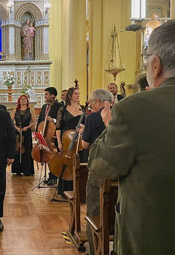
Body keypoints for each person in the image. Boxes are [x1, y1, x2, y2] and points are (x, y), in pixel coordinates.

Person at [88, 20, 175, 255]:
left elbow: (101, 166)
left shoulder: (133, 108)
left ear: (155, 65)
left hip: (151, 240)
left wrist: (108, 123)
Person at [81, 89, 113, 255]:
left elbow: (85, 145)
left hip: (98, 168)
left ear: (100, 102)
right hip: (117, 168)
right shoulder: (119, 115)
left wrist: (82, 134)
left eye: (92, 102)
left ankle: (95, 250)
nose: (91, 105)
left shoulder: (92, 118)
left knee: (94, 209)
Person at [55, 87, 85, 195]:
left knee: (79, 163)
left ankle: (78, 190)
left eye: (78, 93)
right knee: (66, 163)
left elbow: (85, 125)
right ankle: (65, 189)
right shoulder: (62, 109)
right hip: (66, 141)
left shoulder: (82, 109)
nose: (78, 95)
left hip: (78, 141)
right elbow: (58, 127)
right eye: (76, 93)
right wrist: (59, 142)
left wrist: (83, 129)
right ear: (70, 96)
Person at [36, 87, 62, 184]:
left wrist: (53, 120)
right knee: (47, 157)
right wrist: (37, 133)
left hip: (54, 136)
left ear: (53, 96)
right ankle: (50, 175)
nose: (45, 96)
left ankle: (54, 177)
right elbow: (40, 121)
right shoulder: (44, 107)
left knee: (54, 157)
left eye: (46, 94)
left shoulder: (59, 106)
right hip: (45, 135)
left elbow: (60, 120)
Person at [11, 95, 36, 176]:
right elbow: (11, 121)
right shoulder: (15, 110)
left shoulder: (30, 110)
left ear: (27, 100)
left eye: (24, 99)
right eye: (21, 99)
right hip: (17, 132)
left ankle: (27, 170)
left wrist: (27, 127)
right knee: (17, 150)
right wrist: (16, 128)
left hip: (27, 132)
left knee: (28, 150)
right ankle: (17, 170)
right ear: (19, 101)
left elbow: (33, 122)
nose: (23, 100)